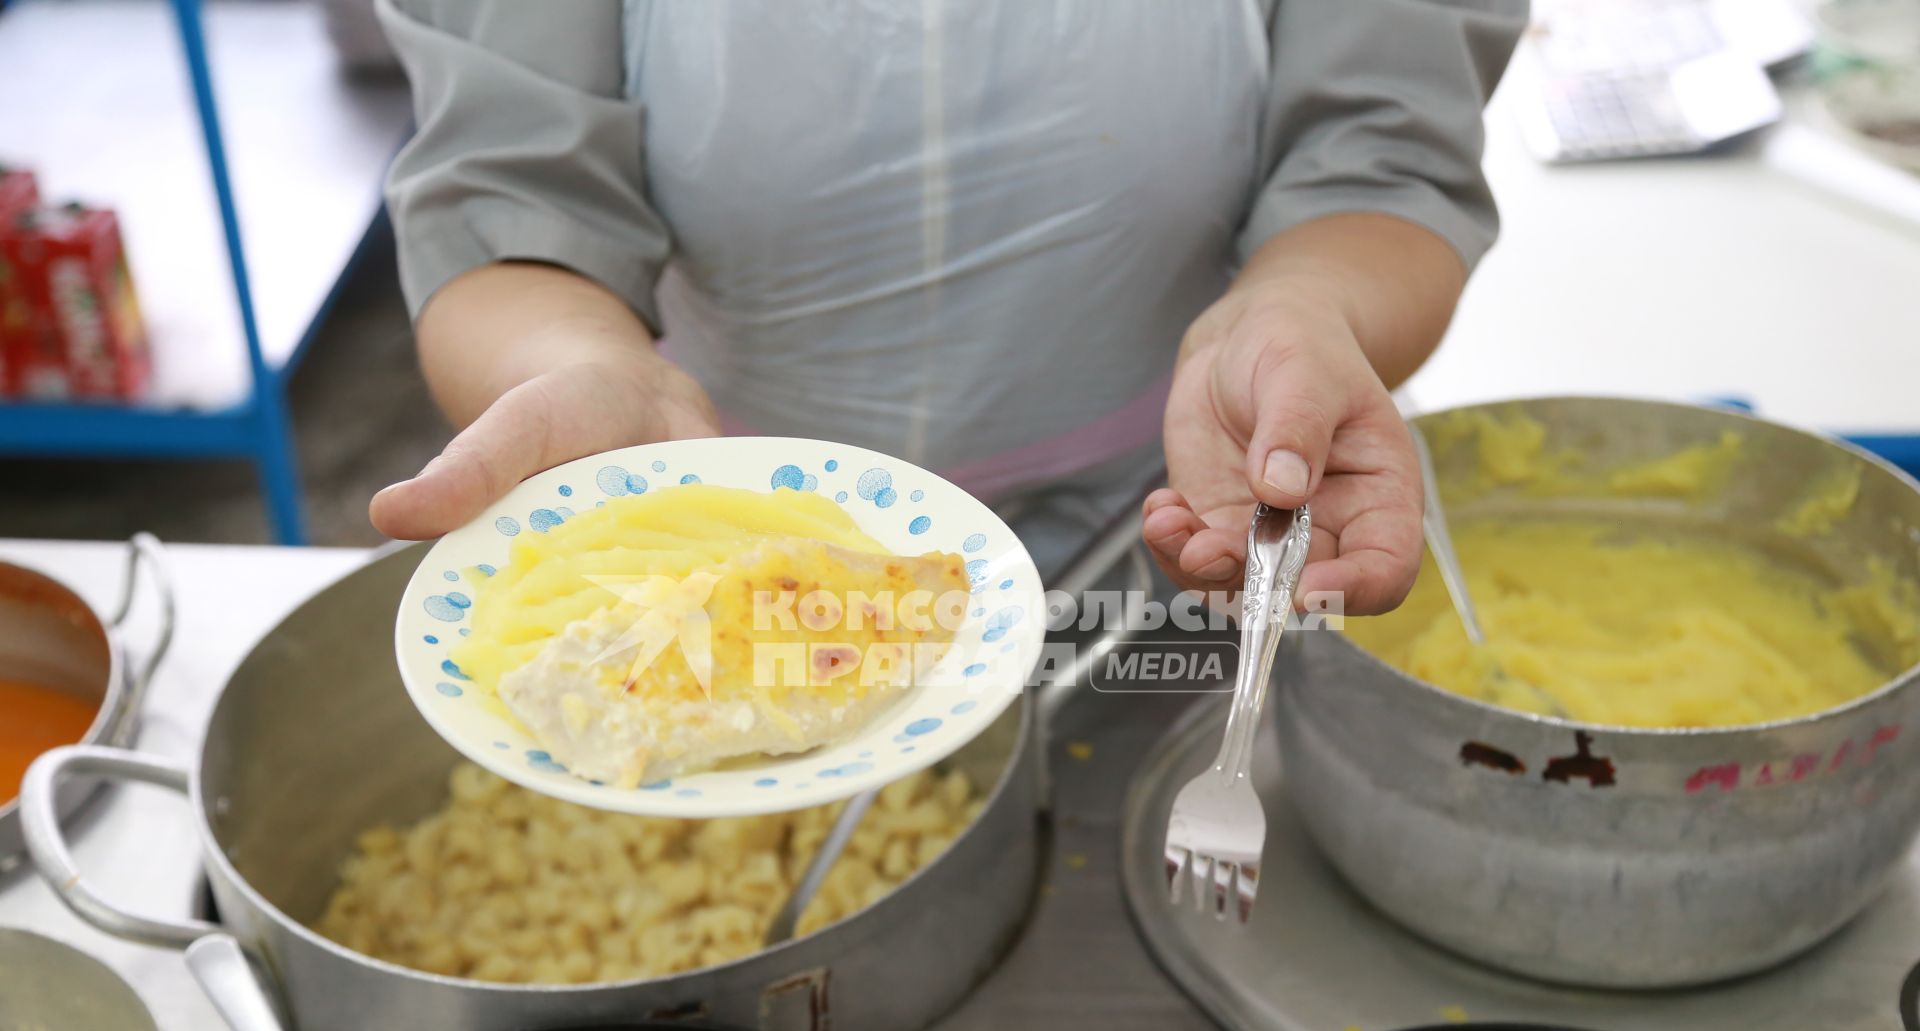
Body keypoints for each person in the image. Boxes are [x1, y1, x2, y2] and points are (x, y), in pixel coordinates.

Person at [367, 0, 1525, 614]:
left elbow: (1383, 163)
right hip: (714, 553)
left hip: (1181, 542)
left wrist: (1305, 305)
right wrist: (577, 362)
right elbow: (509, 199)